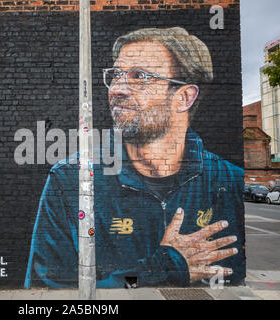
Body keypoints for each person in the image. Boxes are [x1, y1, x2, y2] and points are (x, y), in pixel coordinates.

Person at [24, 27, 245, 289]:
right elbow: (49, 290)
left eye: (139, 76)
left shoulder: (229, 181)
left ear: (184, 97)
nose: (117, 89)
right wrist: (164, 268)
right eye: (116, 75)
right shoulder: (71, 178)